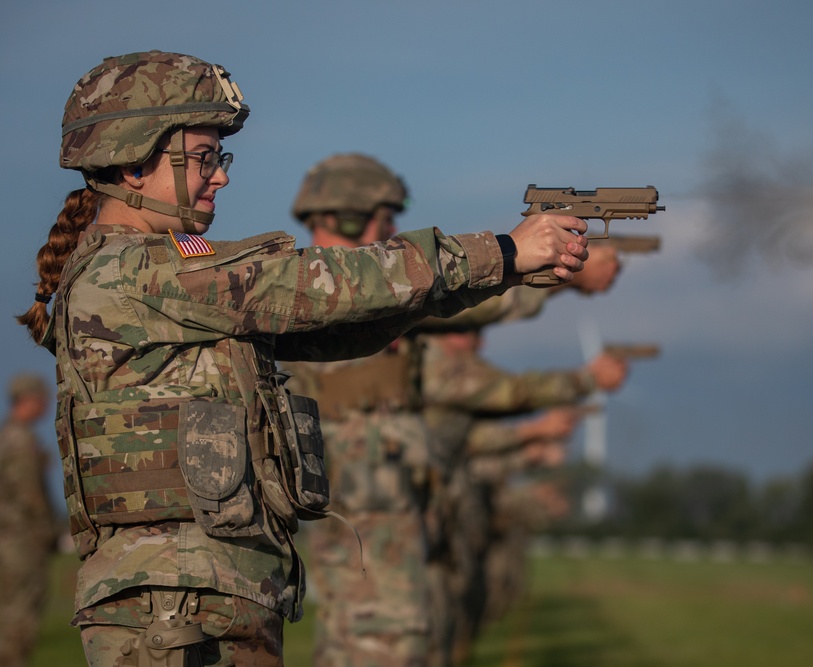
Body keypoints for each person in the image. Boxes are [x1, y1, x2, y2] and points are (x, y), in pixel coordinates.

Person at [17, 50, 589, 667]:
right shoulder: (137, 272)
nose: (222, 177)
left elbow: (335, 328)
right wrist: (499, 251)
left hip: (203, 593)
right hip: (171, 606)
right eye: (204, 157)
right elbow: (310, 285)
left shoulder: (159, 274)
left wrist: (494, 276)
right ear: (133, 163)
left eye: (220, 158)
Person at [283, 153, 437, 667]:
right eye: (385, 218)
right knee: (373, 640)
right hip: (361, 523)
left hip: (379, 517)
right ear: (347, 217)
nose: (393, 232)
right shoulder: (314, 292)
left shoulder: (361, 293)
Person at [420, 328, 627, 664]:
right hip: (438, 526)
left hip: (451, 526)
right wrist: (541, 428)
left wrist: (535, 442)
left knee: (451, 626)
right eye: (474, 334)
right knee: (433, 628)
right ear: (455, 336)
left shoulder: (444, 376)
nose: (481, 344)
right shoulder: (441, 371)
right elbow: (484, 432)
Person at [0, 374, 61, 667]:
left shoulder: (7, 435)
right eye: (44, 397)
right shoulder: (21, 440)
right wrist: (50, 532)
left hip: (10, 540)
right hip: (21, 542)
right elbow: (31, 496)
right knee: (17, 618)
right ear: (30, 399)